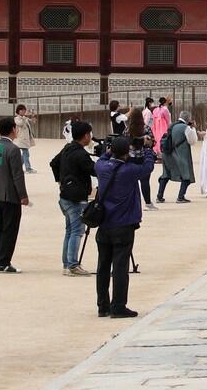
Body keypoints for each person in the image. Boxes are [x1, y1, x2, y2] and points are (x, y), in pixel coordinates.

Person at [94, 136, 155, 318]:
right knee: (120, 267)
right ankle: (118, 305)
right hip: (123, 224)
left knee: (103, 266)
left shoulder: (101, 167)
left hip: (104, 223)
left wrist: (109, 149)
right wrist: (147, 148)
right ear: (127, 153)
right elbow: (148, 167)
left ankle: (102, 305)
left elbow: (102, 158)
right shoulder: (129, 170)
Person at [51, 121, 97, 276]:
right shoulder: (81, 154)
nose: (90, 137)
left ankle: (67, 263)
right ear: (85, 135)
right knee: (77, 231)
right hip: (76, 198)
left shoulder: (67, 148)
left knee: (70, 230)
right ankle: (72, 265)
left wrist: (60, 181)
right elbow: (94, 170)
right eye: (89, 134)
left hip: (65, 195)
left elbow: (53, 163)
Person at [0, 117, 28, 273]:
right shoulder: (13, 149)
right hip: (9, 194)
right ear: (12, 129)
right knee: (9, 228)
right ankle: (3, 262)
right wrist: (23, 195)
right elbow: (17, 175)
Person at [157, 111, 197, 203]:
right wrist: (193, 128)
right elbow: (193, 141)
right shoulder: (185, 128)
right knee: (186, 175)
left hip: (167, 154)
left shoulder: (171, 125)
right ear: (188, 119)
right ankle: (180, 197)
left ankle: (159, 196)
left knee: (165, 175)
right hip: (180, 154)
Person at [125, 112, 158, 211]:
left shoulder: (127, 129)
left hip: (130, 157)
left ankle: (130, 203)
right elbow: (152, 142)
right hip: (143, 157)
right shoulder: (146, 128)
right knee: (145, 181)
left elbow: (124, 141)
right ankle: (148, 203)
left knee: (130, 181)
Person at [12, 104, 37, 174]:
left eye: (24, 110)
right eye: (22, 110)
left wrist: (33, 115)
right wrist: (24, 118)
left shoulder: (25, 118)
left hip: (26, 139)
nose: (23, 111)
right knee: (26, 153)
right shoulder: (17, 118)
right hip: (21, 139)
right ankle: (28, 168)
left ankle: (17, 167)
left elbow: (34, 121)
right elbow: (20, 124)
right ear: (18, 111)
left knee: (25, 154)